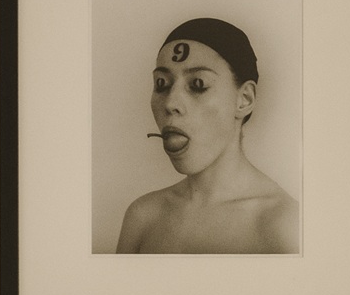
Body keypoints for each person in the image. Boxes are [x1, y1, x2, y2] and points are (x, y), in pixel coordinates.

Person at [115, 17, 299, 253]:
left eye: (198, 84)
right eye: (162, 84)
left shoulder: (285, 226)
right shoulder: (142, 216)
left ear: (244, 100)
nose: (170, 103)